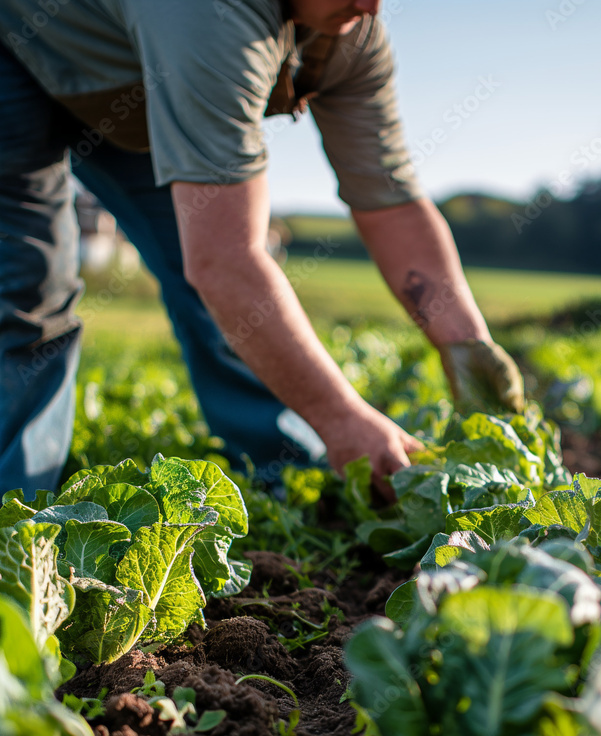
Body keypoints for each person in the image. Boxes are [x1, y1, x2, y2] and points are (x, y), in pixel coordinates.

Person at [0, 0, 525, 499]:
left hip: (137, 80)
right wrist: (342, 415)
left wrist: (466, 343)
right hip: (18, 47)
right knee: (29, 290)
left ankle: (283, 473)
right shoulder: (217, 20)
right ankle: (15, 520)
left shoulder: (352, 36)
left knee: (213, 278)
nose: (372, 5)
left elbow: (392, 204)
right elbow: (227, 261)